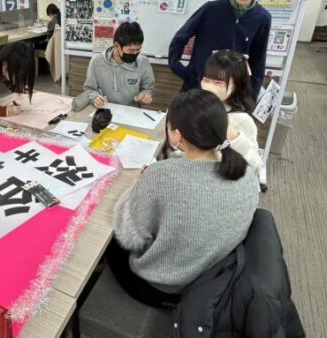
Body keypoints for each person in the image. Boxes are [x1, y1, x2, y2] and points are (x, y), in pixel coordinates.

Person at [110, 89, 259, 306]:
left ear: (177, 135)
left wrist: (135, 188)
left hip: (163, 288)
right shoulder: (245, 172)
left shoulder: (161, 176)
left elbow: (129, 237)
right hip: (213, 280)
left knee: (109, 243)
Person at [168, 0, 274, 99]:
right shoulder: (211, 9)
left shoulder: (262, 18)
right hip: (197, 87)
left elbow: (258, 61)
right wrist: (181, 69)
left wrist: (251, 97)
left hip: (231, 92)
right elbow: (180, 38)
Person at [201, 50, 262, 172]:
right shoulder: (202, 105)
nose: (209, 86)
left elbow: (255, 166)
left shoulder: (241, 120)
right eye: (206, 80)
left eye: (218, 82)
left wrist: (234, 137)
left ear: (237, 85)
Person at [84, 21, 155, 107]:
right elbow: (89, 89)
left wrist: (145, 96)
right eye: (131, 50)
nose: (135, 53)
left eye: (138, 50)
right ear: (116, 46)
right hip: (106, 109)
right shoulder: (97, 61)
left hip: (132, 111)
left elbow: (148, 88)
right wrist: (94, 98)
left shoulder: (143, 62)